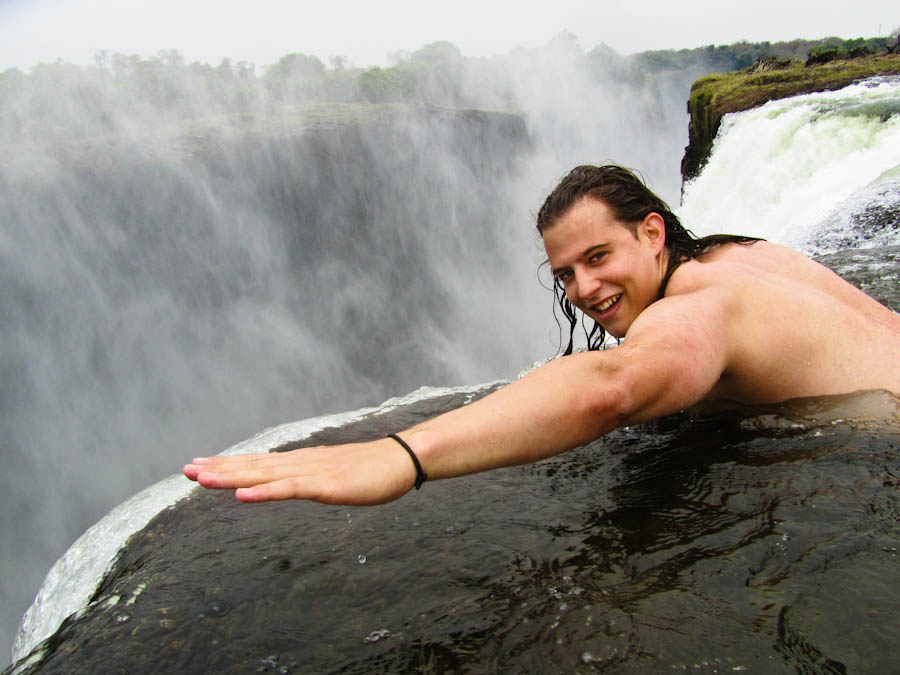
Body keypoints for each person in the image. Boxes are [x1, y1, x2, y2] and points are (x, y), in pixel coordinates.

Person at [183, 164, 900, 505]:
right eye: (564, 274)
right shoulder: (747, 255)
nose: (583, 291)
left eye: (598, 258)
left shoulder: (696, 311)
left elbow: (612, 386)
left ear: (651, 232)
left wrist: (405, 452)